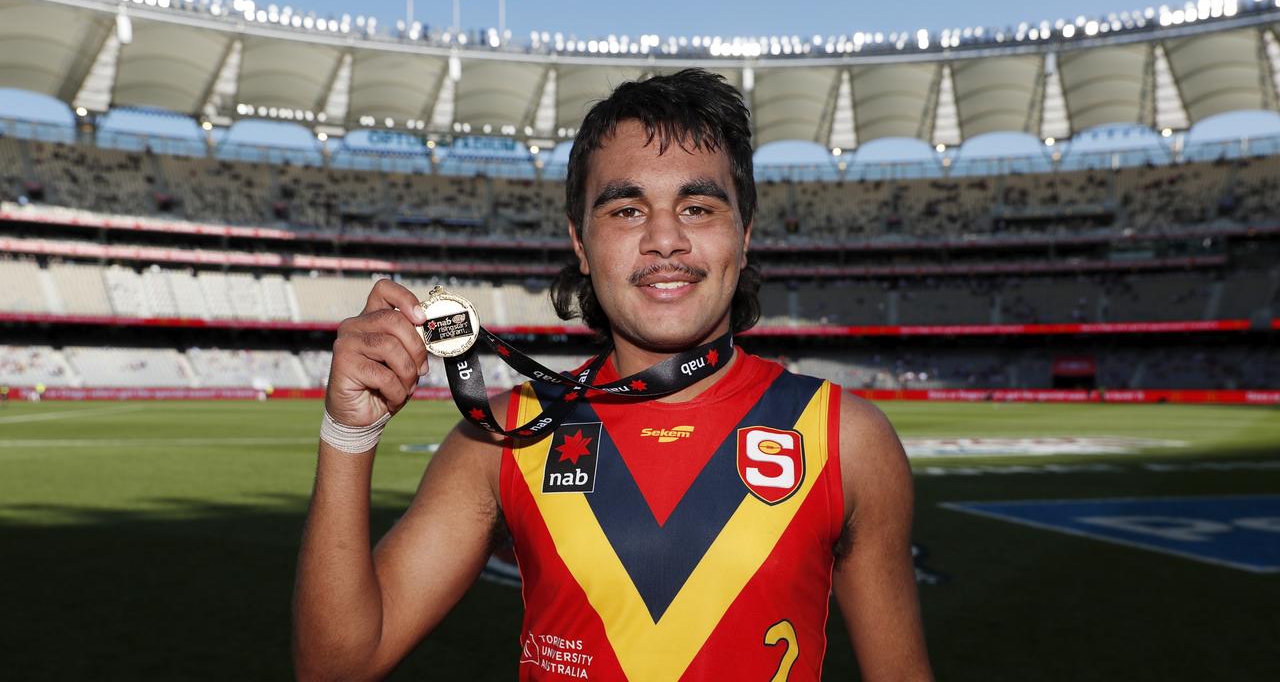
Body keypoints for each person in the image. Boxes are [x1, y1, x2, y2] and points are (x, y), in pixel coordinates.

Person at [293, 69, 932, 681]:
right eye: (626, 210)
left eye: (699, 208)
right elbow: (338, 666)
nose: (663, 239)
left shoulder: (847, 440)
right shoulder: (505, 438)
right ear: (580, 242)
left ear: (744, 236)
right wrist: (349, 435)